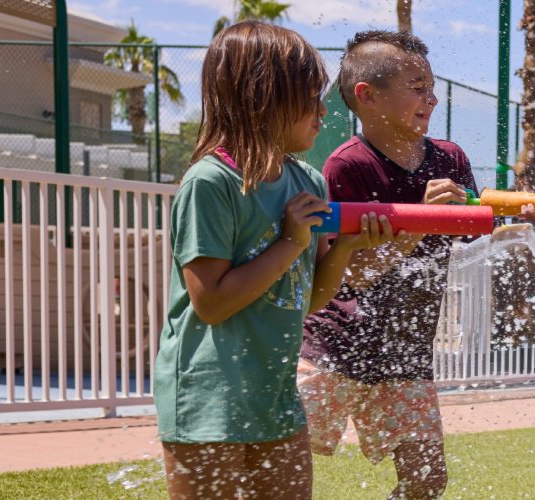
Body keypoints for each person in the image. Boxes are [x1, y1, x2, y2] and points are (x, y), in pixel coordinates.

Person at [156, 21, 399, 500]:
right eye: (310, 97)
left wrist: (346, 247)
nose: (322, 110)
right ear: (264, 98)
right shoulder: (211, 184)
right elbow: (210, 304)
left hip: (275, 396)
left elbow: (308, 300)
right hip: (209, 399)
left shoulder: (307, 181)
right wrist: (290, 242)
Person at [298, 30, 535, 500]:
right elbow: (353, 272)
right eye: (416, 86)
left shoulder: (449, 159)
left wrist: (520, 225)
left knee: (426, 482)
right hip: (334, 349)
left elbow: (474, 239)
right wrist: (420, 223)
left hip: (406, 353)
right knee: (283, 463)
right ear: (368, 97)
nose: (431, 97)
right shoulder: (346, 167)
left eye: (431, 86)